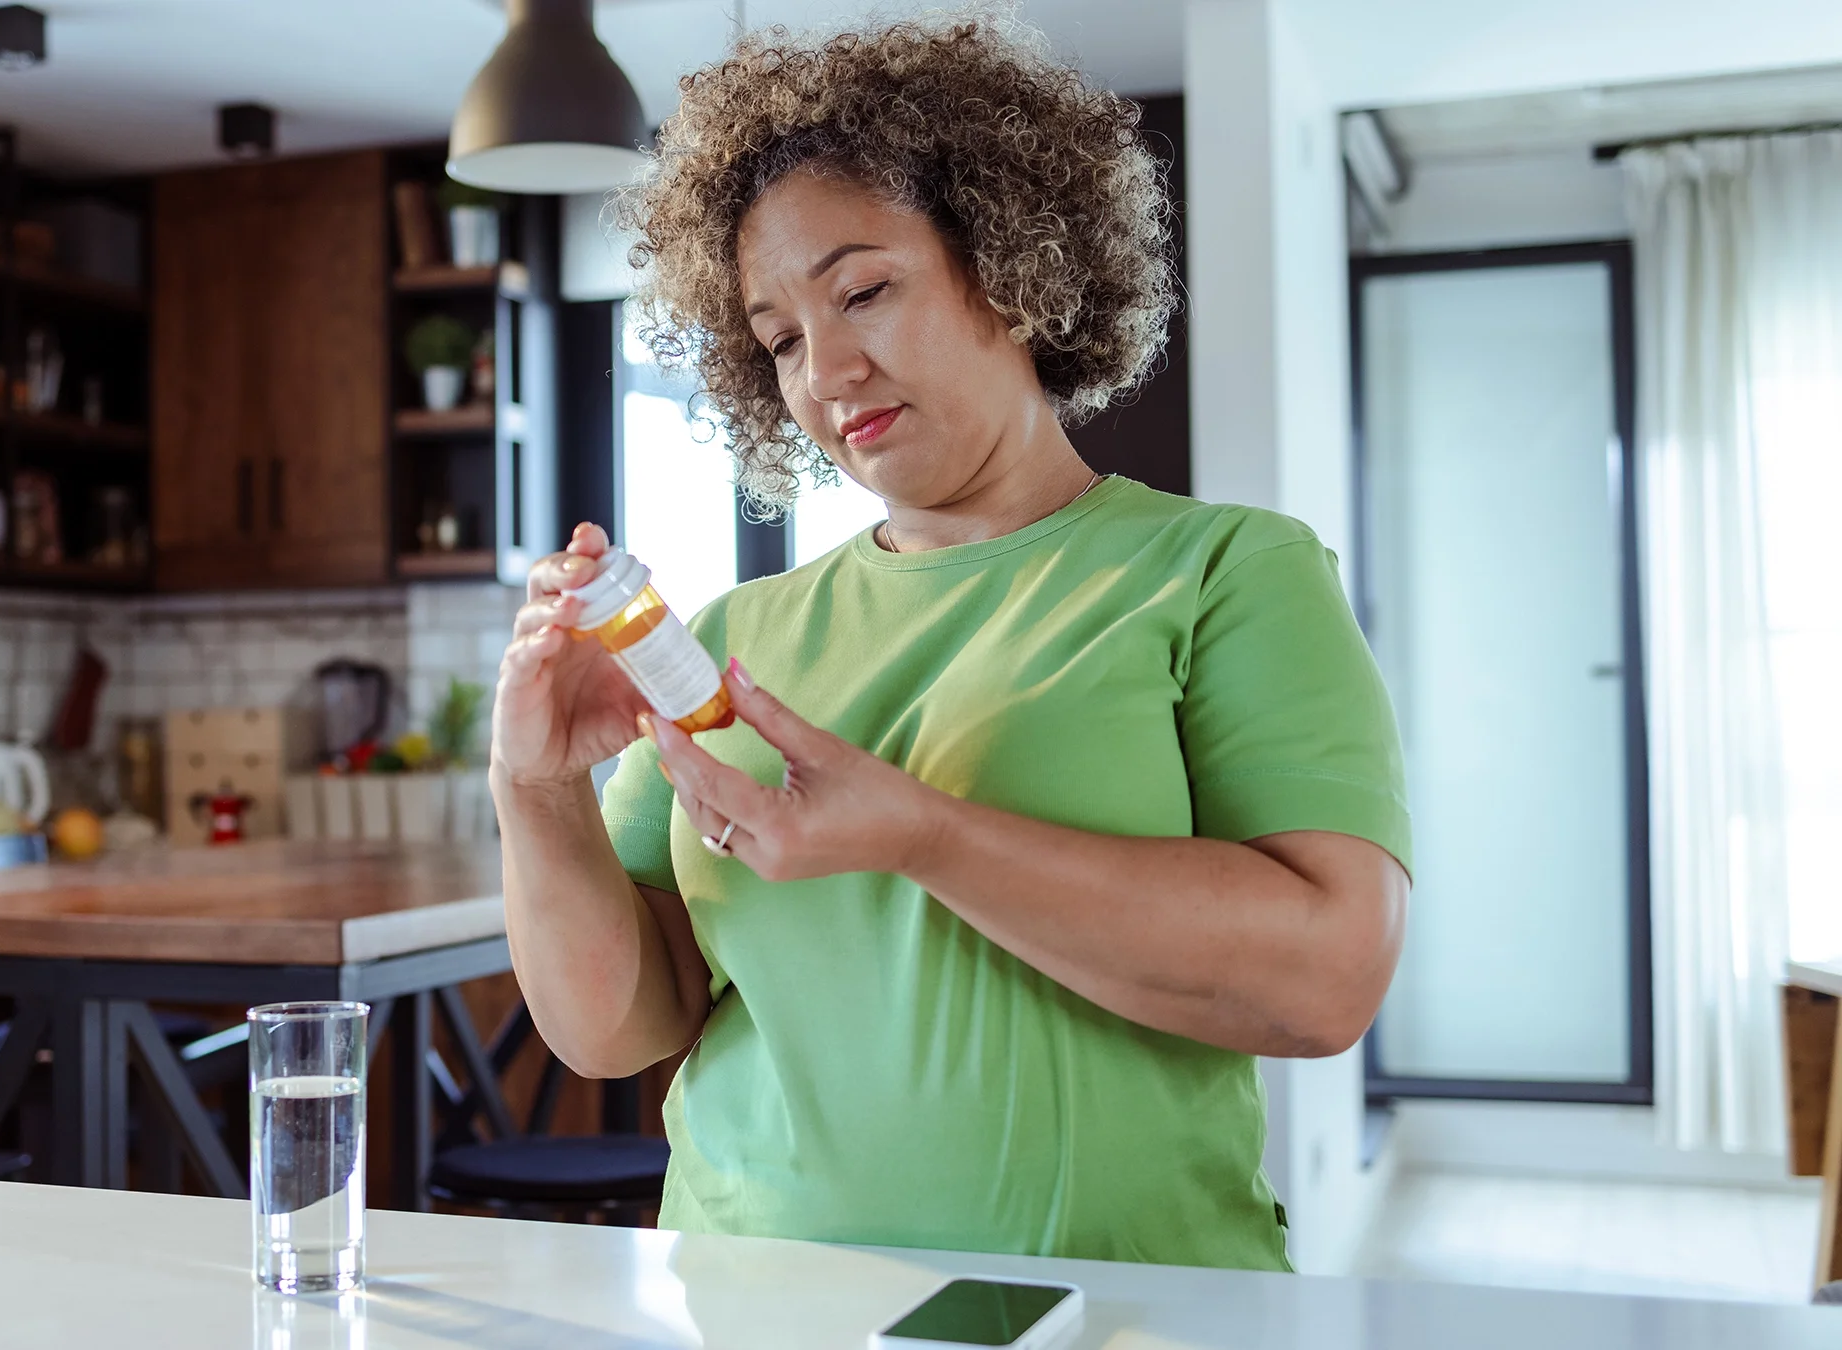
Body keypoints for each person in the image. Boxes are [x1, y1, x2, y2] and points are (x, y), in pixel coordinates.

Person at [488, 14, 1411, 1271]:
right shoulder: (729, 640)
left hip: (1124, 1306)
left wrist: (921, 834)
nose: (827, 370)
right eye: (780, 338)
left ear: (1012, 267)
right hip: (758, 1296)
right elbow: (618, 1028)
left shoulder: (1222, 573)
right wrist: (536, 789)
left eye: (863, 290)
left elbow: (1327, 977)